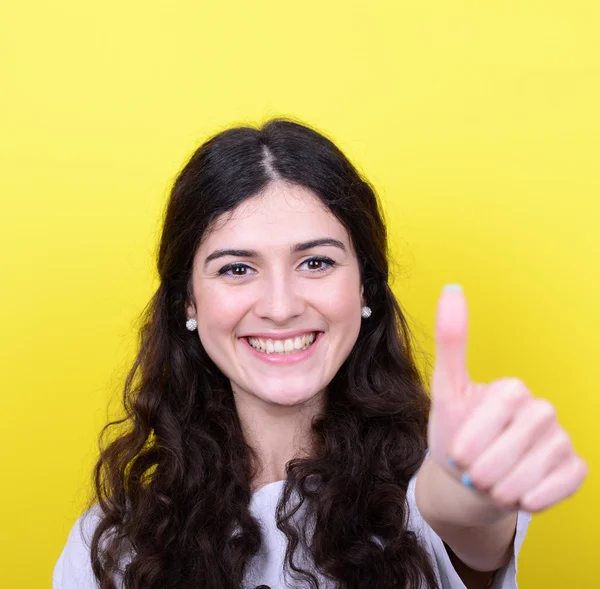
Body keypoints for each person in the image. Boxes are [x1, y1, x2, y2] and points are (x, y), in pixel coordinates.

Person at [53, 119, 587, 589]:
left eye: (316, 263)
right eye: (237, 269)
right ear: (187, 302)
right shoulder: (109, 548)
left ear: (366, 290)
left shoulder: (422, 497)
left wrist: (472, 490)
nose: (281, 307)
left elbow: (463, 520)